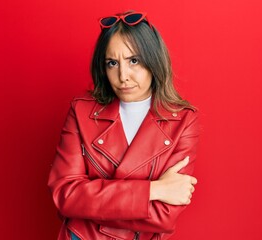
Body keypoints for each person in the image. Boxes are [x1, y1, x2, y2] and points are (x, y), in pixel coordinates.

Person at [48, 10, 199, 240]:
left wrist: (92, 204)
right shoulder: (81, 112)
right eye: (112, 63)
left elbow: (165, 216)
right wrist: (154, 190)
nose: (123, 75)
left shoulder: (183, 121)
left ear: (153, 61)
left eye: (134, 61)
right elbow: (65, 195)